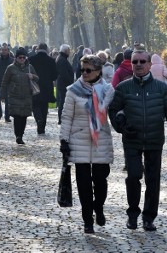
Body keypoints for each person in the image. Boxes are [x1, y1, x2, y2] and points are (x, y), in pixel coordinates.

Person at [108, 47, 167, 232]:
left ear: (149, 64)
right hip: (132, 139)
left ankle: (149, 218)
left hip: (154, 139)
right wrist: (121, 127)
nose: (138, 65)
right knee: (133, 176)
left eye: (142, 61)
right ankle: (132, 214)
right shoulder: (123, 88)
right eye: (135, 61)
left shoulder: (162, 88)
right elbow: (113, 109)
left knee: (153, 180)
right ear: (131, 64)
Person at [60, 54, 115, 234]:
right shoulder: (73, 90)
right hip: (79, 140)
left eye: (88, 70)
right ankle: (87, 220)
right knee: (83, 184)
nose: (84, 73)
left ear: (98, 71)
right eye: (82, 70)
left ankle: (98, 207)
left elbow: (113, 115)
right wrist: (64, 140)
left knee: (100, 181)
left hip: (101, 141)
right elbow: (67, 117)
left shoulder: (108, 91)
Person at [0, 47, 38, 144]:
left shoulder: (30, 67)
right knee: (17, 117)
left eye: (23, 57)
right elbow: (4, 82)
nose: (22, 59)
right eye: (20, 57)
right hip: (14, 96)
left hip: (26, 96)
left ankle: (21, 134)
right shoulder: (11, 68)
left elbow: (37, 78)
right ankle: (18, 135)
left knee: (24, 117)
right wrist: (2, 95)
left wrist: (32, 76)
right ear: (16, 58)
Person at [29, 43, 58, 134]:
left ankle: (38, 119)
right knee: (44, 107)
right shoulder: (51, 60)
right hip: (47, 86)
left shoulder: (31, 59)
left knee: (35, 104)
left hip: (34, 85)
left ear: (37, 49)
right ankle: (42, 128)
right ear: (46, 49)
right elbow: (55, 75)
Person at [0, 44, 14, 122]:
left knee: (7, 100)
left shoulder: (12, 60)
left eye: (5, 50)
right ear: (0, 51)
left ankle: (7, 116)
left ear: (8, 51)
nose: (4, 51)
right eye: (3, 50)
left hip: (8, 82)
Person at [55, 44, 74, 125]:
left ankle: (62, 118)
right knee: (63, 102)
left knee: (63, 102)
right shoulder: (62, 60)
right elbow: (64, 73)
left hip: (63, 84)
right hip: (64, 85)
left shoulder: (61, 58)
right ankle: (61, 119)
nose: (70, 52)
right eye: (69, 50)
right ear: (66, 51)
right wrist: (70, 81)